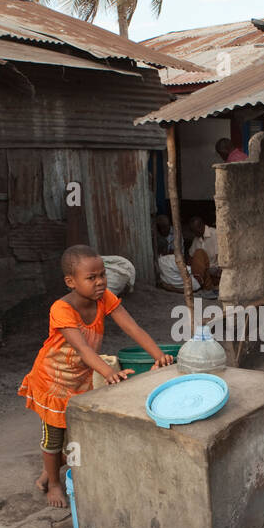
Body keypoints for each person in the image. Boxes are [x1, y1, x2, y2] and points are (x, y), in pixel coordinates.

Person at [19, 245, 174, 507]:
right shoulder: (61, 309)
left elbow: (132, 328)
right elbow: (82, 349)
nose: (100, 282)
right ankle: (53, 483)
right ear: (71, 282)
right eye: (91, 278)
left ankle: (50, 470)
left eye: (102, 275)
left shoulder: (105, 299)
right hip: (52, 381)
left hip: (79, 378)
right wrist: (109, 373)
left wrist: (160, 356)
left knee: (77, 430)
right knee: (54, 436)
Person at [186, 215, 221, 290]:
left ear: (202, 225)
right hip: (203, 274)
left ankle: (198, 286)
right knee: (197, 257)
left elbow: (221, 257)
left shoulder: (214, 234)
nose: (195, 233)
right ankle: (201, 287)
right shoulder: (196, 239)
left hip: (215, 272)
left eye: (196, 230)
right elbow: (190, 257)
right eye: (193, 231)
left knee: (199, 253)